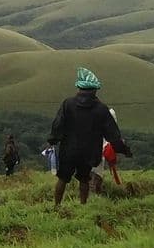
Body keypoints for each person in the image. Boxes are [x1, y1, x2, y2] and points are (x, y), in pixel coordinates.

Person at [48, 67, 132, 206]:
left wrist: (52, 141)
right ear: (94, 90)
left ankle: (57, 206)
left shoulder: (67, 104)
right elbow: (112, 135)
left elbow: (58, 125)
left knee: (62, 178)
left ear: (79, 88)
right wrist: (123, 149)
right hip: (89, 151)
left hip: (68, 149)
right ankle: (83, 206)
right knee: (84, 179)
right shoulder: (101, 109)